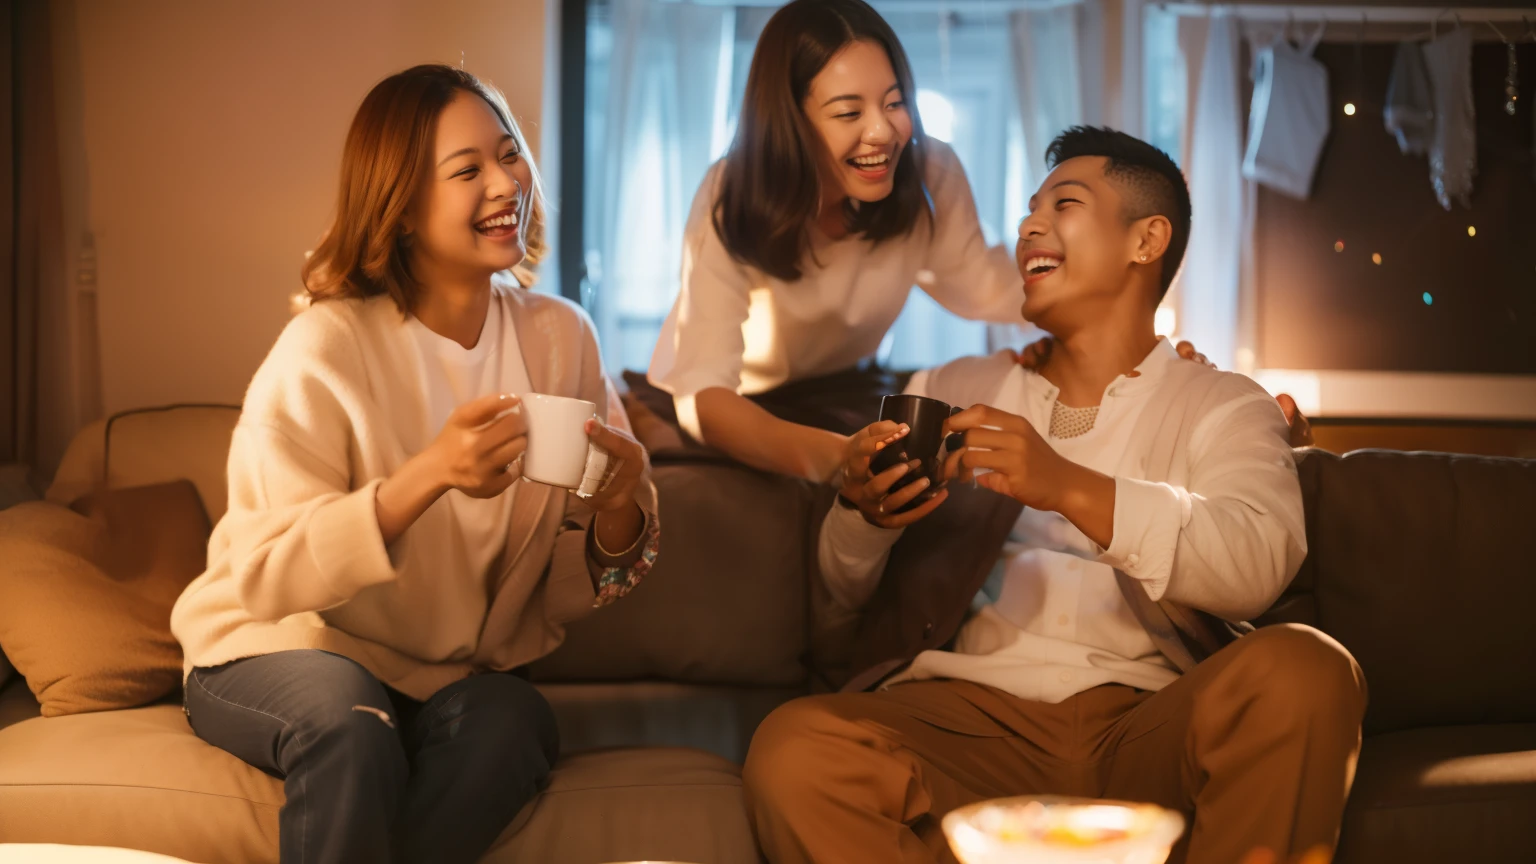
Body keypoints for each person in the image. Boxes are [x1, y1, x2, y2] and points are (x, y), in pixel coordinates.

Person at [742, 127, 1364, 864]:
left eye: (1063, 204)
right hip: (963, 723)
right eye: (1029, 210)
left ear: (1147, 240)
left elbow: (1257, 563)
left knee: (1308, 670)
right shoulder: (948, 392)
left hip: (1149, 721)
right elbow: (838, 598)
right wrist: (863, 517)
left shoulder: (1223, 405)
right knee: (794, 749)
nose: (1028, 226)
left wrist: (1068, 485)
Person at [169, 65, 659, 864]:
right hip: (282, 647)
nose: (507, 182)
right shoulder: (327, 346)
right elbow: (263, 575)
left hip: (448, 677)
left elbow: (571, 583)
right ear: (399, 208)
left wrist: (619, 508)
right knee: (348, 718)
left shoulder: (560, 337)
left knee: (515, 720)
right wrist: (426, 477)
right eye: (468, 170)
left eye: (509, 154)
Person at [645, 0, 1027, 482]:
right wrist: (836, 458)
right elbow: (704, 394)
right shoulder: (733, 192)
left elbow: (985, 286)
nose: (883, 131)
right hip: (736, 403)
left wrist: (1080, 315)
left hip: (845, 389)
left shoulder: (930, 171)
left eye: (895, 102)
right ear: (790, 122)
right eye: (849, 112)